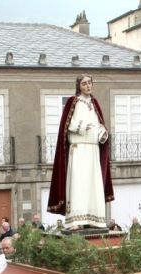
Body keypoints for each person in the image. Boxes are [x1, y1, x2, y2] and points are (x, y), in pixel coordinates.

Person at [47, 74, 113, 230]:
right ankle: (75, 221)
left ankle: (94, 219)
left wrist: (102, 134)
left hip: (93, 149)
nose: (88, 86)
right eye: (84, 83)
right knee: (78, 183)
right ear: (79, 86)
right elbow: (66, 125)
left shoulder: (95, 103)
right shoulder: (73, 102)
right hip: (78, 148)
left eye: (90, 83)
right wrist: (82, 127)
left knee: (93, 184)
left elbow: (99, 124)